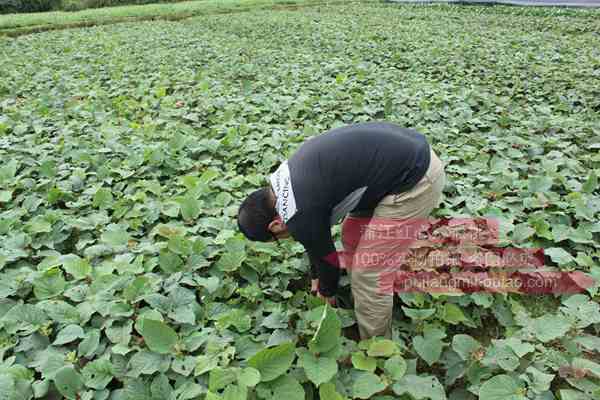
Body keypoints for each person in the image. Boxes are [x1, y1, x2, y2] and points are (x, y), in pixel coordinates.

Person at [237, 121, 446, 339]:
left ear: (276, 225)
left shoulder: (298, 214)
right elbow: (314, 241)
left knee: (369, 273)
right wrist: (316, 277)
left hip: (416, 180)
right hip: (402, 155)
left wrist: (327, 291)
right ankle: (372, 298)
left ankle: (377, 349)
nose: (287, 237)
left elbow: (328, 261)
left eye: (277, 239)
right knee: (352, 234)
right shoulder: (283, 184)